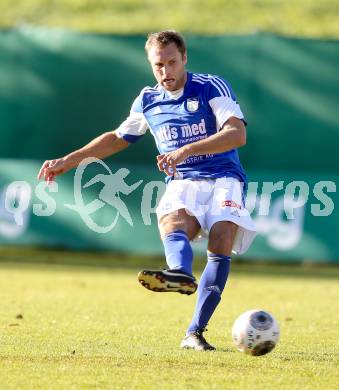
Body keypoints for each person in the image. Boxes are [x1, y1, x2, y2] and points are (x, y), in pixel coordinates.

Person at [38, 30, 256, 351]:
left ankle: (194, 333)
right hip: (182, 182)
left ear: (184, 59)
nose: (166, 72)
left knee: (221, 239)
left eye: (172, 62)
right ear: (150, 65)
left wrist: (185, 151)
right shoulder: (148, 100)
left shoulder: (210, 86)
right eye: (159, 65)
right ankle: (179, 274)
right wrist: (69, 161)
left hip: (224, 177)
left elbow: (236, 135)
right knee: (173, 222)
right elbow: (116, 138)